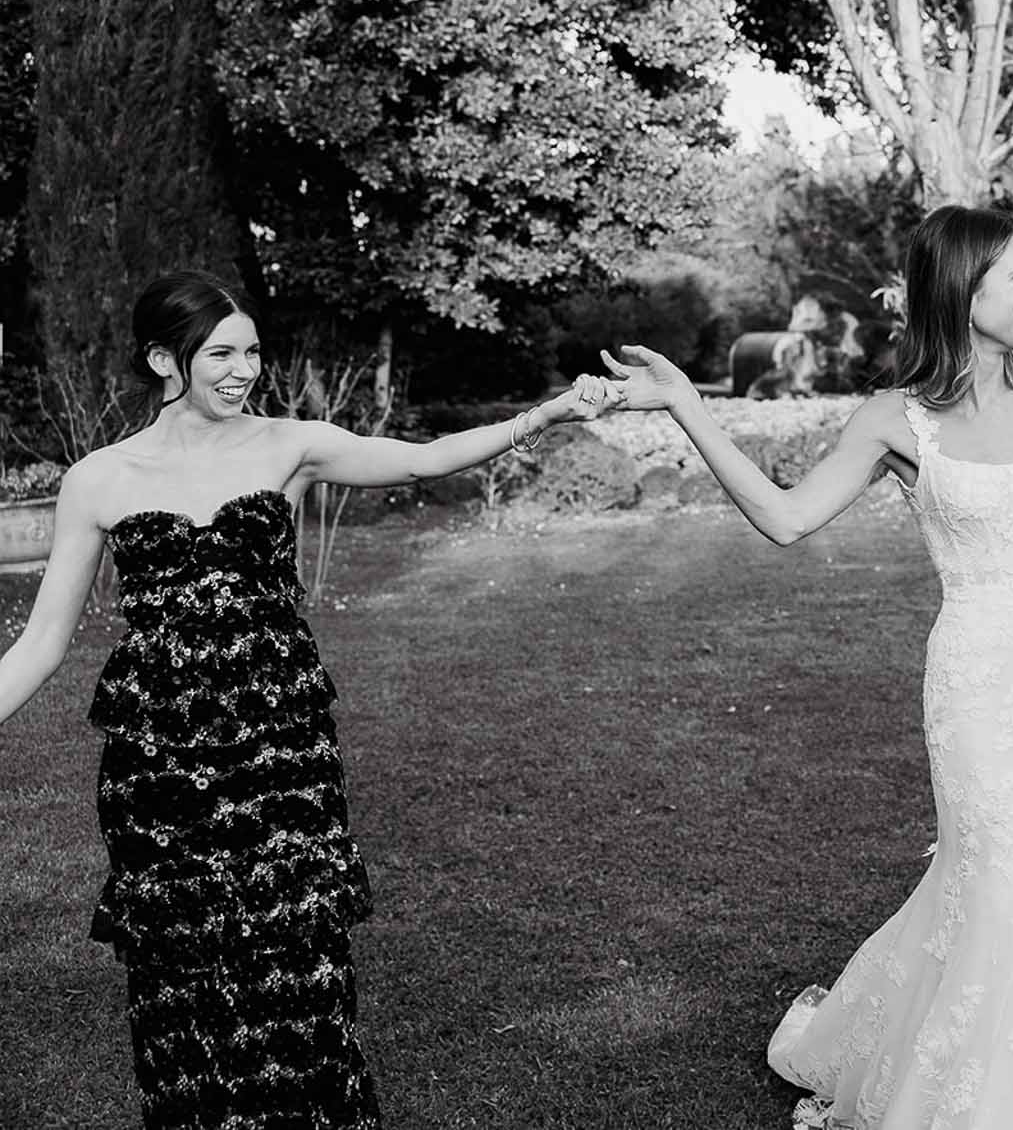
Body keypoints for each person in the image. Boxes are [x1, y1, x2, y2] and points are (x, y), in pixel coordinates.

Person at [599, 205, 1013, 1129]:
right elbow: (787, 519)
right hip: (978, 685)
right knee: (996, 882)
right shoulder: (894, 420)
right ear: (965, 290)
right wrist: (687, 409)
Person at [0, 271, 620, 1128]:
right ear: (161, 360)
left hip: (280, 758)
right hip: (158, 777)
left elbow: (423, 457)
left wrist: (543, 417)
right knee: (184, 984)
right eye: (220, 353)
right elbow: (40, 642)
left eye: (251, 351)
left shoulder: (291, 445)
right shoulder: (99, 478)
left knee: (298, 967)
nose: (242, 370)